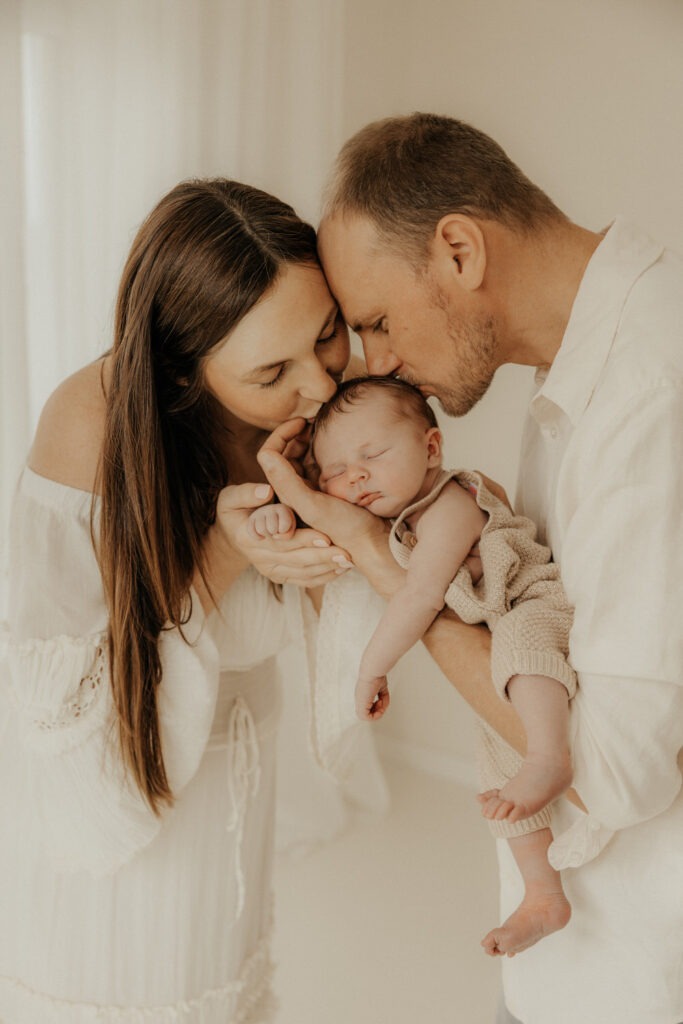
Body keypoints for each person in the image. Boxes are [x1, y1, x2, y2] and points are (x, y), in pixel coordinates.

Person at [255, 114, 683, 1024]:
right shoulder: (578, 360)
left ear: (457, 249)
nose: (378, 364)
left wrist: (377, 558)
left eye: (375, 321)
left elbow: (613, 774)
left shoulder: (650, 393)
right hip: (576, 945)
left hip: (637, 968)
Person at [0, 177, 397, 1023]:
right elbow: (64, 699)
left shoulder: (318, 406)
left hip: (237, 773)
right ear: (184, 369)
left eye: (326, 334)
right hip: (124, 800)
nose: (321, 387)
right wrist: (222, 550)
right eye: (270, 371)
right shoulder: (89, 424)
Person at [250, 373, 576, 956]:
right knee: (495, 765)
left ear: (431, 448)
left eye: (372, 454)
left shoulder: (451, 501)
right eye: (336, 471)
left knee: (525, 658)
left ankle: (552, 757)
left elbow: (420, 595)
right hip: (496, 640)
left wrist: (371, 669)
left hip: (532, 604)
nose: (356, 476)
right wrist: (279, 511)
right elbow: (320, 526)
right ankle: (542, 893)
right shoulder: (390, 519)